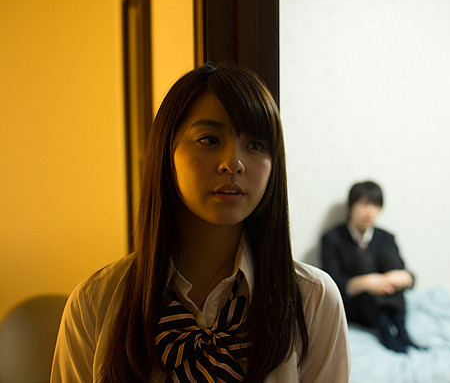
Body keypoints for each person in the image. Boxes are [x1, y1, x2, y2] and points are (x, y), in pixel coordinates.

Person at [51, 63, 349, 382]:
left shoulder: (313, 300)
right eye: (209, 140)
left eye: (256, 145)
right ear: (167, 151)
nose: (233, 163)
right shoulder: (94, 302)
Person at [321, 181, 418, 353]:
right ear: (351, 207)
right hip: (358, 308)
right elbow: (330, 283)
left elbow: (403, 271)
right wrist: (365, 283)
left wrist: (406, 278)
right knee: (362, 260)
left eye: (375, 205)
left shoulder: (386, 237)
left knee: (389, 256)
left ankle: (401, 328)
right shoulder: (333, 238)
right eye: (364, 204)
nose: (370, 211)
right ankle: (385, 330)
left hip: (390, 305)